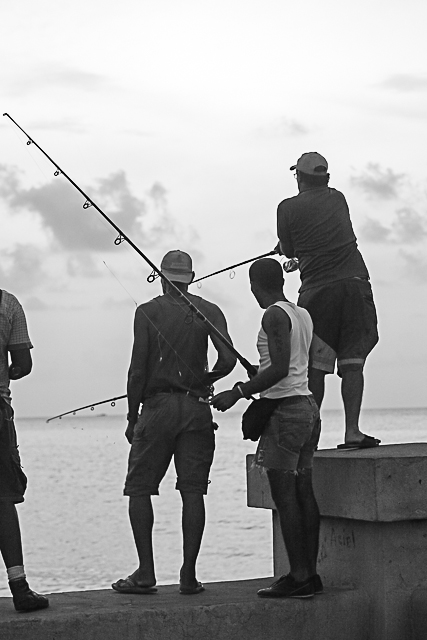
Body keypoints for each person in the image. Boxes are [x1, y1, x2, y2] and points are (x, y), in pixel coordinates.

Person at [112, 250, 236, 596]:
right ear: (191, 278)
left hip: (158, 407)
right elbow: (228, 360)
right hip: (197, 408)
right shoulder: (210, 311)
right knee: (193, 491)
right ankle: (188, 574)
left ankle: (146, 571)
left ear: (163, 278)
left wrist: (132, 416)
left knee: (139, 489)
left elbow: (138, 370)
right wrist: (205, 378)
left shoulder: (147, 312)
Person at [212, 258, 321, 599]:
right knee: (304, 492)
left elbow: (280, 370)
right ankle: (310, 574)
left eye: (251, 285)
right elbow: (292, 366)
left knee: (284, 496)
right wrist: (257, 377)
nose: (251, 291)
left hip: (287, 413)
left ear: (257, 284)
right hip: (307, 408)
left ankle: (299, 575)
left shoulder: (273, 315)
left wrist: (238, 392)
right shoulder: (301, 313)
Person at [277, 152, 379, 449]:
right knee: (353, 363)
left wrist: (289, 251)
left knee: (316, 368)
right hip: (354, 285)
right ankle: (352, 432)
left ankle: (310, 435)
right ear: (325, 178)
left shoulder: (287, 208)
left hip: (317, 293)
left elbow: (288, 247)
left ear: (299, 177)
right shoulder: (338, 199)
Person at [0, 289, 49, 612]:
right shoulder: (8, 304)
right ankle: (19, 588)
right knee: (2, 498)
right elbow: (23, 363)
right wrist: (9, 373)